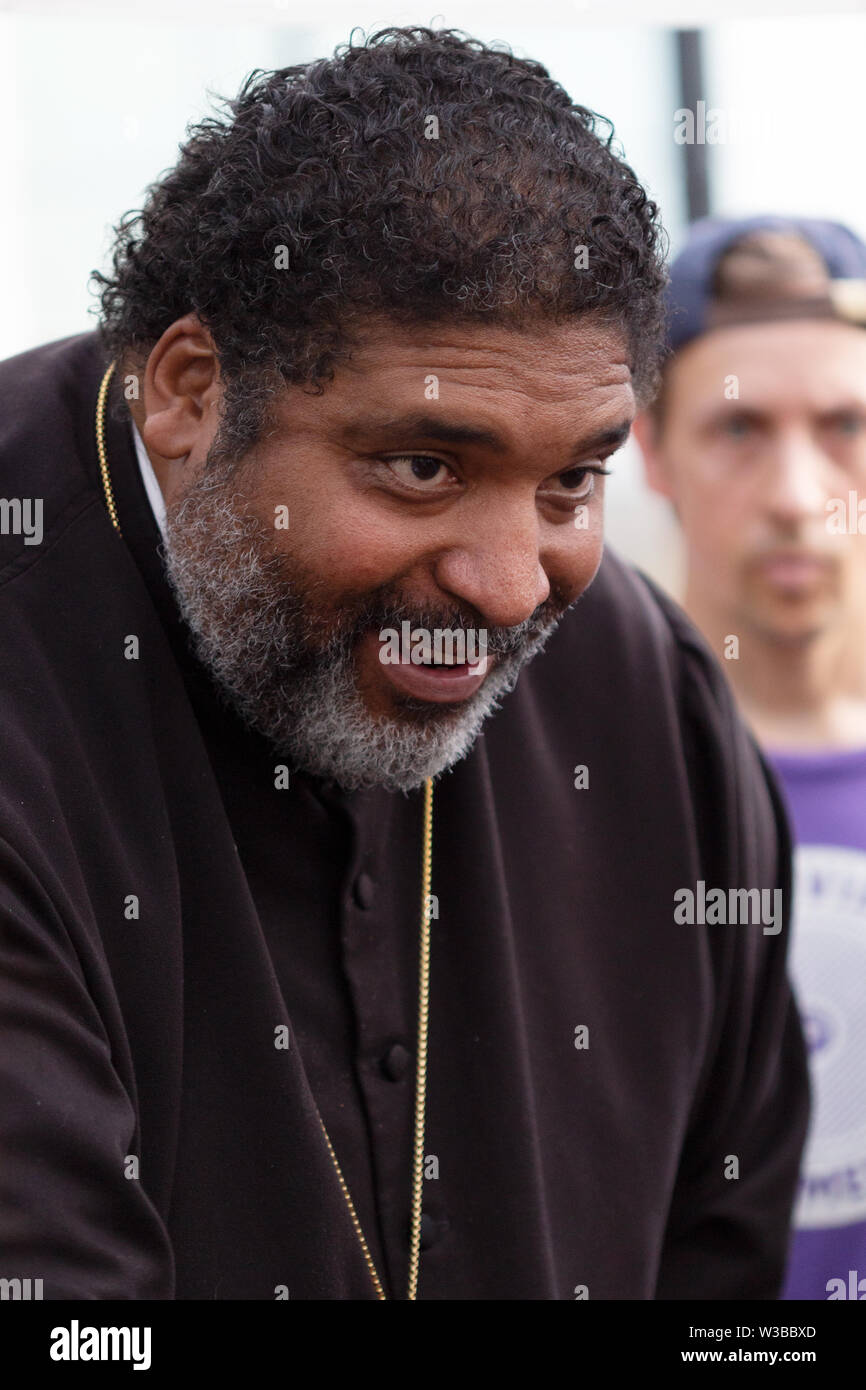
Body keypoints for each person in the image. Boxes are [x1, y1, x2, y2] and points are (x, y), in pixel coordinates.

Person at [0, 28, 808, 1301]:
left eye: (568, 481)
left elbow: (728, 1253)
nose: (506, 585)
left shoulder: (647, 694)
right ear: (193, 389)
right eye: (422, 468)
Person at [635, 214, 866, 1301]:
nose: (792, 494)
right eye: (736, 428)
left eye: (844, 423)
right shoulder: (573, 780)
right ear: (649, 447)